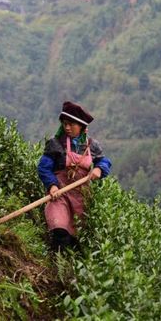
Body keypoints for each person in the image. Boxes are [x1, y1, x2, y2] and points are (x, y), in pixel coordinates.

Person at [37, 101, 112, 251]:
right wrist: (52, 185)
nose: (67, 128)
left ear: (82, 127)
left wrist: (99, 169)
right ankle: (54, 266)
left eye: (71, 124)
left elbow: (104, 161)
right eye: (65, 124)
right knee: (60, 231)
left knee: (77, 241)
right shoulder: (56, 143)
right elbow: (43, 167)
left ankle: (69, 271)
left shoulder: (91, 145)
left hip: (81, 198)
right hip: (59, 195)